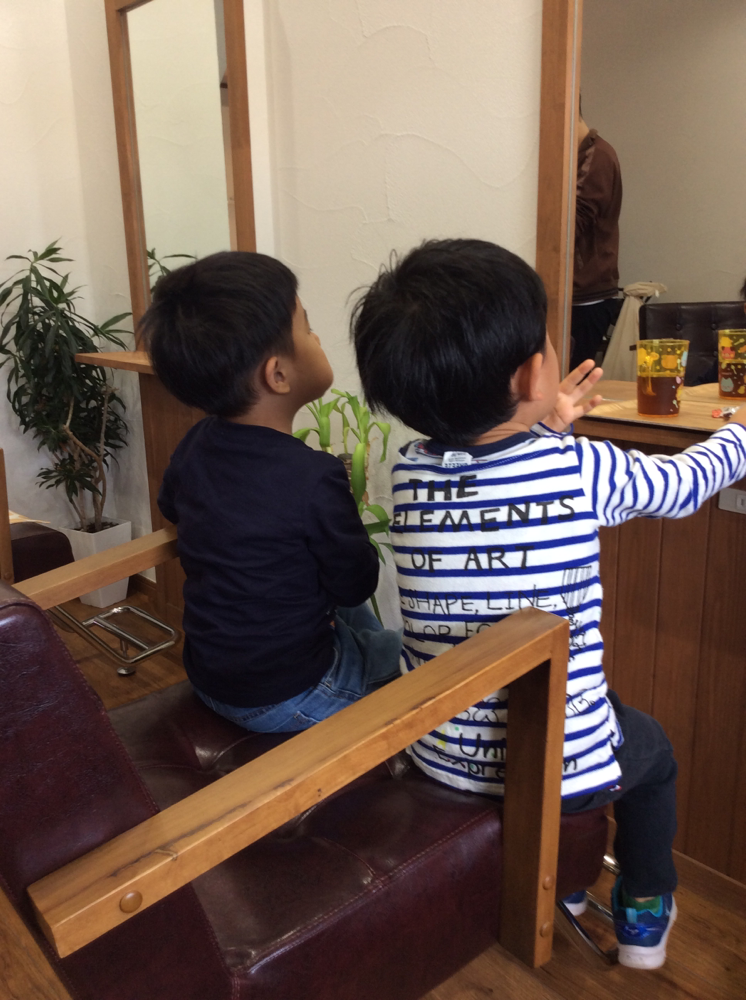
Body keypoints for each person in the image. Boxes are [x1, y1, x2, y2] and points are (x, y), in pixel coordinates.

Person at [351, 238, 746, 969]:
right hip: (553, 769)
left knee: (601, 712)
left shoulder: (407, 474)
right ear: (533, 372)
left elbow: (491, 476)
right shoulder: (575, 466)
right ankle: (644, 910)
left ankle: (563, 887)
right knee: (654, 756)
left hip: (442, 753)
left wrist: (542, 422)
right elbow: (681, 485)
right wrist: (740, 437)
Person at [140, 251, 401, 733]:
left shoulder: (196, 443)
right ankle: (375, 658)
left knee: (346, 608)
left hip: (211, 676)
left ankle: (361, 644)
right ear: (277, 375)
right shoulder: (313, 477)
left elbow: (171, 506)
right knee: (406, 652)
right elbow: (356, 582)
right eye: (308, 327)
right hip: (291, 693)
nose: (317, 338)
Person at [571, 103, 623, 370]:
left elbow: (570, 225)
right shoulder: (580, 155)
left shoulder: (596, 157)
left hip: (586, 295)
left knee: (570, 380)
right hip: (581, 292)